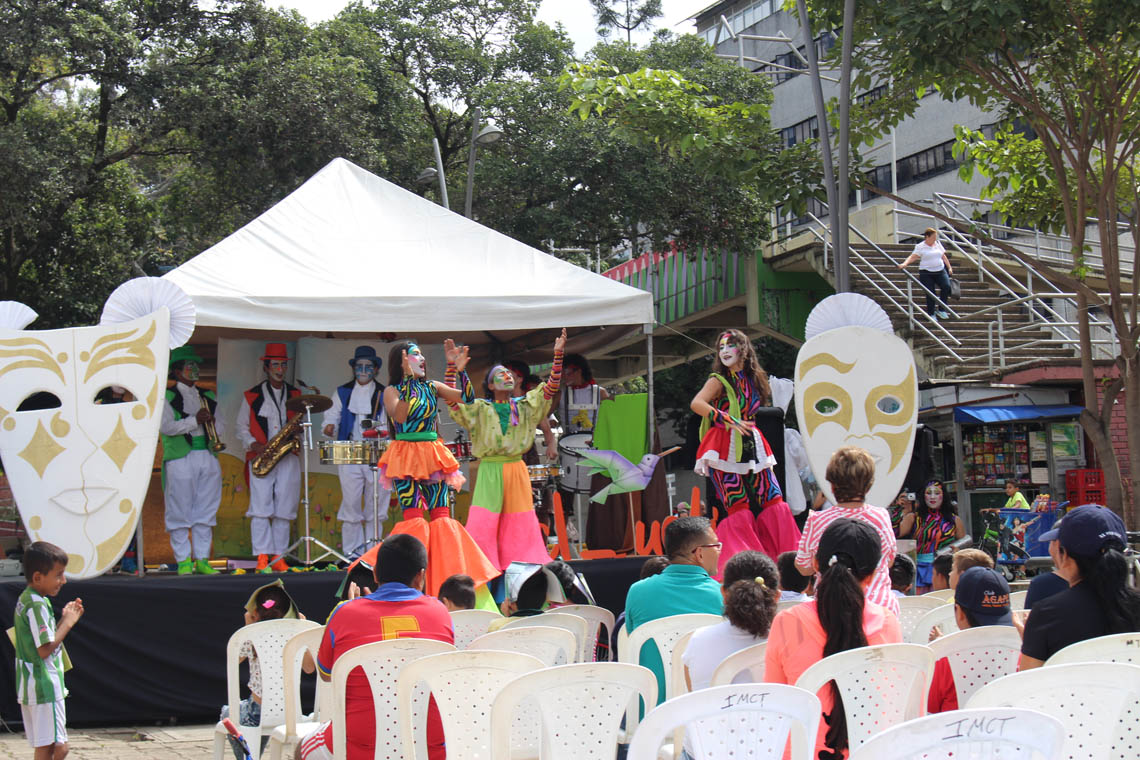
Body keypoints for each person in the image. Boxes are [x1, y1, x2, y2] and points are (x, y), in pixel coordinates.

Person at [297, 534, 453, 760]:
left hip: (358, 748)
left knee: (300, 747)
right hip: (429, 748)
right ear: (421, 577)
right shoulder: (441, 613)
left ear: (376, 574)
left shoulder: (345, 613)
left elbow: (325, 673)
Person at [765, 519, 903, 760]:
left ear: (817, 564)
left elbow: (774, 703)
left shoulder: (787, 623)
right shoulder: (888, 623)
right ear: (871, 575)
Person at [378, 340, 497, 597]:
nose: (421, 358)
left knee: (442, 518)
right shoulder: (391, 390)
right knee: (415, 519)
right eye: (413, 355)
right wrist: (408, 381)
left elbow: (466, 398)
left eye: (421, 354)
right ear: (400, 362)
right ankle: (415, 583)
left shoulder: (432, 387)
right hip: (405, 457)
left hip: (433, 455)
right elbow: (400, 416)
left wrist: (460, 369)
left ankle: (449, 581)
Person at [445, 330, 565, 569]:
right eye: (501, 374)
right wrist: (451, 368)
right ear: (490, 384)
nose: (508, 376)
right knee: (484, 524)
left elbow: (550, 389)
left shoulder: (525, 406)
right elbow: (451, 400)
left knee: (520, 526)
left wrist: (558, 355)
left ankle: (523, 572)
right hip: (490, 470)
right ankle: (483, 570)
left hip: (516, 470)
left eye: (510, 374)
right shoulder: (479, 408)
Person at [690, 329, 801, 571]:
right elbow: (697, 403)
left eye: (730, 345)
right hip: (723, 448)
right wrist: (728, 419)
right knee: (737, 505)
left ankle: (787, 563)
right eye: (721, 347)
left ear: (743, 348)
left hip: (753, 445)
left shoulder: (754, 379)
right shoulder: (717, 380)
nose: (725, 351)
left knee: (773, 499)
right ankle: (748, 568)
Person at [1018, 504, 1140, 669]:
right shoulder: (1134, 606)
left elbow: (1028, 685)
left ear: (1065, 555)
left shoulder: (1047, 614)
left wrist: (1030, 640)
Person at [625, 516, 724, 704]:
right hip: (705, 707)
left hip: (651, 709)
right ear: (699, 553)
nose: (719, 551)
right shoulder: (722, 595)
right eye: (716, 546)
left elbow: (634, 637)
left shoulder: (637, 592)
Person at [795, 447, 899, 617]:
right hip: (882, 612)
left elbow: (804, 567)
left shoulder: (817, 520)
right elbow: (889, 561)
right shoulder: (881, 516)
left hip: (831, 612)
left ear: (832, 484)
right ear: (868, 485)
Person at [14, 542, 84, 760]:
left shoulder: (27, 598)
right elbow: (44, 649)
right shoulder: (37, 604)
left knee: (46, 746)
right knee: (58, 747)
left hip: (31, 683)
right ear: (37, 578)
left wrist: (63, 618)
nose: (63, 581)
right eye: (59, 575)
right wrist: (69, 622)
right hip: (44, 684)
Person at [237, 343, 303, 573]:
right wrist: (255, 445)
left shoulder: (296, 395)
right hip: (262, 457)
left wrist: (297, 432)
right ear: (266, 367)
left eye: (283, 365)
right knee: (261, 507)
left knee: (285, 507)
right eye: (275, 364)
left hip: (288, 457)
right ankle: (262, 557)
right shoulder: (252, 395)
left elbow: (302, 423)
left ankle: (279, 557)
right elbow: (241, 427)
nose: (280, 369)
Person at [160, 345, 224, 575]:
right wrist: (194, 421)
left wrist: (214, 425)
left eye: (196, 365)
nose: (195, 369)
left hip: (207, 455)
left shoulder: (208, 395)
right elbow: (166, 427)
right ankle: (184, 560)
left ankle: (203, 559)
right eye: (190, 365)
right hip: (180, 457)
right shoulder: (166, 396)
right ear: (177, 371)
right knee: (179, 509)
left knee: (206, 509)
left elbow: (222, 425)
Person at [322, 345, 391, 559]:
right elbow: (331, 416)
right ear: (353, 368)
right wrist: (329, 427)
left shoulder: (384, 392)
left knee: (376, 502)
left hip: (376, 452)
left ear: (375, 369)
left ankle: (373, 553)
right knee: (351, 502)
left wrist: (382, 432)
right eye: (359, 366)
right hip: (350, 451)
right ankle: (351, 553)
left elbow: (389, 423)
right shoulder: (342, 392)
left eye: (368, 366)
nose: (363, 370)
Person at [221, 581, 314, 732]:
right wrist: (302, 628)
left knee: (226, 711)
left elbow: (234, 660)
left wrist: (248, 626)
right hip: (292, 714)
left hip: (256, 713)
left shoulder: (252, 635)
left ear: (255, 613)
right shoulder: (296, 635)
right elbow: (309, 668)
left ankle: (249, 755)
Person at [683, 551, 779, 692]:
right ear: (777, 596)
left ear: (723, 593)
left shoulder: (698, 640)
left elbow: (694, 696)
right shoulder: (789, 642)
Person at [928, 566, 1015, 713]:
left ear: (960, 613)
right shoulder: (1022, 654)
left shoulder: (943, 661)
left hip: (953, 732)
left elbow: (928, 711)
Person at [554, 353, 611, 539]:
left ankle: (600, 533)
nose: (565, 377)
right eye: (563, 373)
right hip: (569, 449)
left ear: (579, 370)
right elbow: (544, 413)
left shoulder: (599, 392)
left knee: (600, 494)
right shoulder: (561, 394)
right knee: (564, 492)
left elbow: (612, 418)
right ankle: (565, 531)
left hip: (596, 449)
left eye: (568, 373)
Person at [898, 480, 965, 593]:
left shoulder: (954, 520)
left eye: (937, 493)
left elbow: (964, 545)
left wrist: (958, 552)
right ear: (923, 495)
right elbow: (894, 533)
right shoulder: (914, 518)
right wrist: (901, 510)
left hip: (944, 570)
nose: (932, 497)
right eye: (929, 493)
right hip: (919, 569)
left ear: (943, 495)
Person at [897, 227, 954, 320]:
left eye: (935, 238)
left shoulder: (937, 244)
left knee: (946, 286)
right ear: (927, 237)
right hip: (926, 272)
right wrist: (905, 264)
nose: (934, 240)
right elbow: (913, 257)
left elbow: (943, 256)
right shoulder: (920, 246)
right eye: (933, 237)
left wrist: (949, 267)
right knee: (930, 292)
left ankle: (941, 309)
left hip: (940, 270)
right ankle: (931, 313)